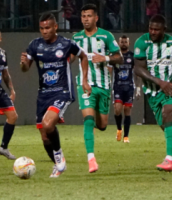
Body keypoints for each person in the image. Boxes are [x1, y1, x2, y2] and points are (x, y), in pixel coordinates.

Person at [20, 12, 90, 178]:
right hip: (43, 94)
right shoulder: (35, 45)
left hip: (62, 92)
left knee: (48, 124)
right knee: (45, 137)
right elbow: (25, 68)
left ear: (55, 27)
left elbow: (83, 56)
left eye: (48, 28)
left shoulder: (65, 44)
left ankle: (59, 159)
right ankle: (58, 165)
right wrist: (23, 64)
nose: (45, 31)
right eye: (42, 28)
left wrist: (85, 80)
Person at [134, 14, 172, 172]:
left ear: (164, 30)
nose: (153, 32)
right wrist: (159, 82)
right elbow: (138, 68)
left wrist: (165, 83)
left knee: (168, 115)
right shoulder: (142, 42)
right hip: (153, 92)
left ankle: (169, 160)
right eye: (150, 28)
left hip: (171, 87)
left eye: (156, 29)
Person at [72, 4, 123, 173]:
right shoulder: (76, 38)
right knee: (88, 120)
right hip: (85, 84)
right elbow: (69, 58)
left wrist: (106, 58)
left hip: (104, 86)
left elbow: (119, 57)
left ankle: (95, 128)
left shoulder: (106, 36)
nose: (85, 19)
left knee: (102, 125)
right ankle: (91, 159)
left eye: (89, 16)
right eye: (83, 16)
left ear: (96, 18)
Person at [0, 28, 18, 160]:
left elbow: (5, 74)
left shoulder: (2, 54)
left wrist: (12, 90)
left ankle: (3, 147)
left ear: (0, 39)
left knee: (13, 116)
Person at [112, 35, 141, 143]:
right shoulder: (115, 56)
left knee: (127, 111)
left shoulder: (132, 56)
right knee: (117, 109)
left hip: (129, 86)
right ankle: (119, 129)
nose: (124, 43)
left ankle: (126, 136)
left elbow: (137, 72)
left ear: (129, 44)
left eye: (125, 42)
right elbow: (110, 70)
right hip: (117, 86)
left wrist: (138, 87)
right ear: (119, 44)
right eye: (122, 42)